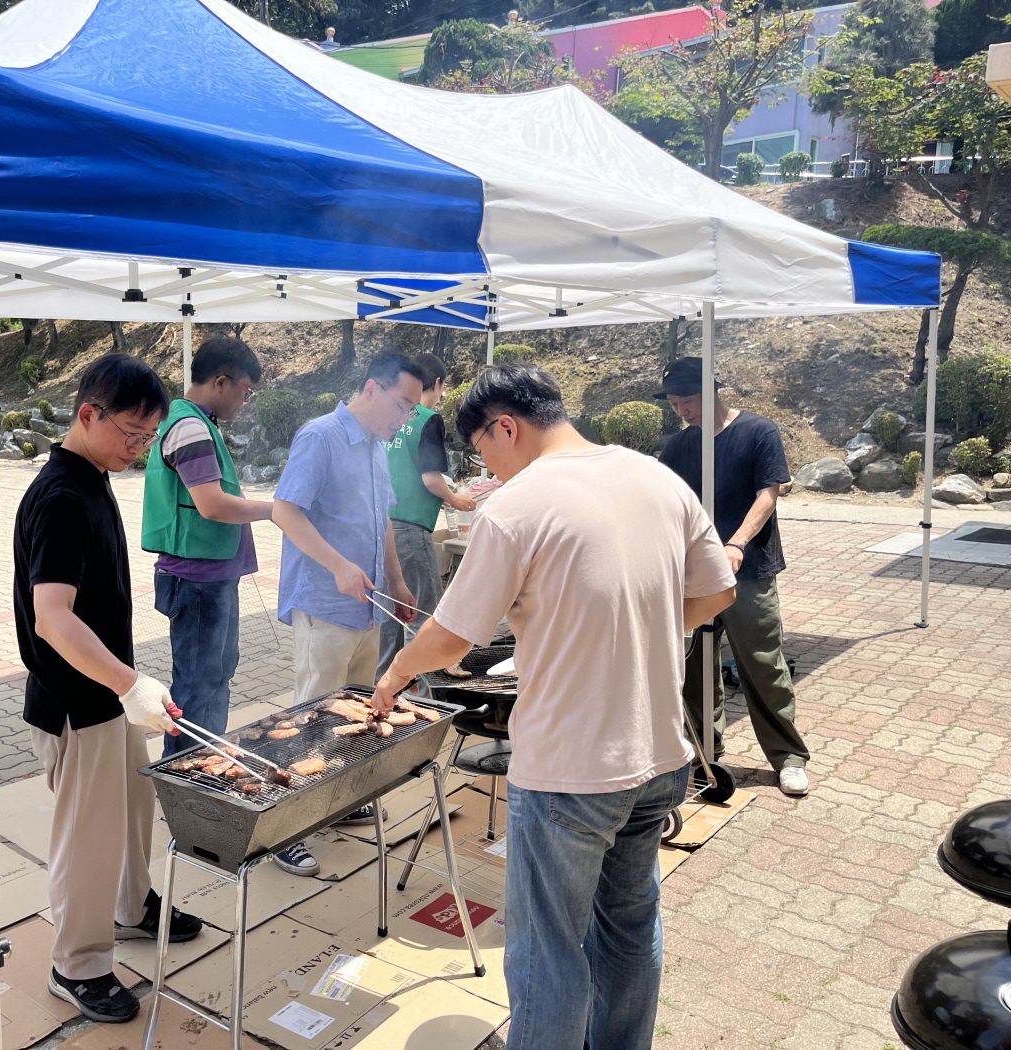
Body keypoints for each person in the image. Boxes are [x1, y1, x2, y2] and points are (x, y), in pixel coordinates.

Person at [371, 363, 735, 1050]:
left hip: (571, 771)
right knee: (629, 928)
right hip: (660, 757)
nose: (487, 471)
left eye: (483, 450)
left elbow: (451, 640)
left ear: (505, 427)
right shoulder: (655, 476)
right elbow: (716, 595)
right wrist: (640, 628)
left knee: (548, 949)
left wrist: (396, 670)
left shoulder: (517, 506)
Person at [13, 354, 204, 1025]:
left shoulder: (92, 477)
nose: (138, 449)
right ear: (87, 413)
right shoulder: (62, 497)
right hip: (78, 700)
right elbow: (52, 618)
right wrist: (131, 682)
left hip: (110, 693)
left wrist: (128, 687)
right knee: (88, 837)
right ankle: (78, 964)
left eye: (148, 439)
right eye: (130, 434)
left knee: (132, 808)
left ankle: (130, 907)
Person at [270, 352, 424, 876]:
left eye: (412, 410)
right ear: (371, 389)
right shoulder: (320, 436)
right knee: (310, 714)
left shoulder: (378, 448)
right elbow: (284, 510)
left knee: (351, 710)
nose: (405, 418)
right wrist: (337, 564)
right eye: (402, 405)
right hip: (326, 601)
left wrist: (397, 582)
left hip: (369, 607)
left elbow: (382, 520)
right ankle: (285, 828)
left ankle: (334, 800)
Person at [655, 356, 812, 796]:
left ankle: (788, 757)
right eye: (674, 404)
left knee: (762, 663)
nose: (682, 411)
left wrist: (736, 544)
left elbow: (768, 495)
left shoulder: (758, 431)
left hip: (749, 569)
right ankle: (705, 752)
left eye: (688, 401)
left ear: (713, 392)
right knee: (694, 667)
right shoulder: (680, 445)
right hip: (693, 575)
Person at [142, 335, 273, 758]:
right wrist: (275, 510)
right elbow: (213, 505)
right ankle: (185, 776)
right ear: (221, 382)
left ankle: (209, 764)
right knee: (198, 685)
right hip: (197, 581)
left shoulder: (195, 422)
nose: (245, 401)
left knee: (214, 677)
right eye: (246, 391)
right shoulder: (189, 426)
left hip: (210, 577)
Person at [377, 353, 476, 679]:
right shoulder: (428, 419)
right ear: (436, 383)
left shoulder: (390, 416)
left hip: (382, 525)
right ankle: (422, 690)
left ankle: (382, 687)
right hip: (410, 527)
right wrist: (454, 498)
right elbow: (431, 479)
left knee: (391, 615)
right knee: (423, 613)